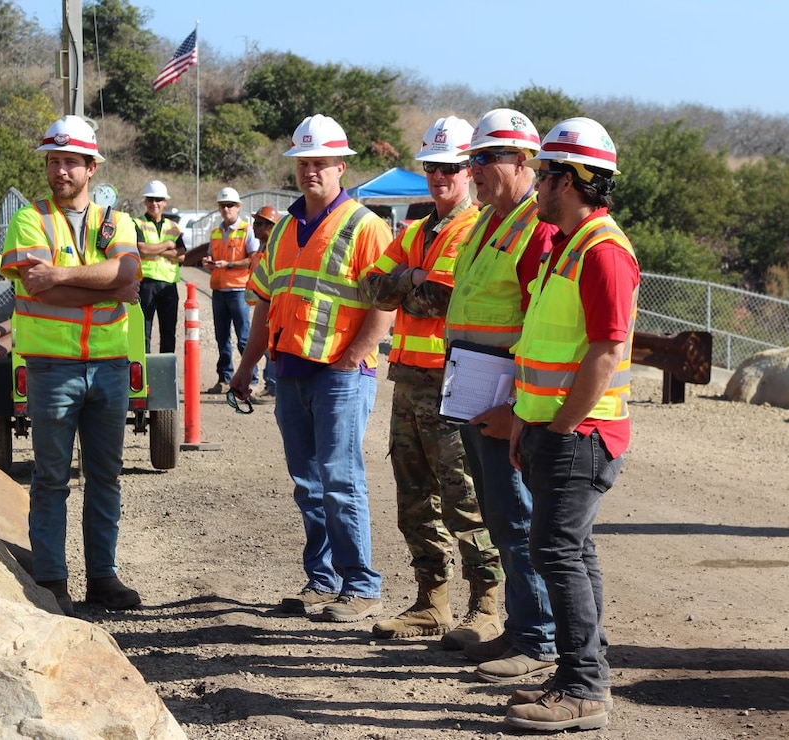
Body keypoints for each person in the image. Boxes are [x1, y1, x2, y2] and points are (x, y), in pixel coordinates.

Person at [501, 118, 639, 732]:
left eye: (547, 174)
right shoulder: (568, 245)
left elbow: (606, 353)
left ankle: (584, 687)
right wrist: (525, 422)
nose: (538, 185)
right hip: (554, 428)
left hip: (579, 435)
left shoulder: (604, 253)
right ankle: (581, 672)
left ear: (573, 180)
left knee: (555, 550)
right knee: (572, 551)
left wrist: (556, 429)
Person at [231, 114, 394, 622]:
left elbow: (384, 307)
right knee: (308, 481)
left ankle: (361, 586)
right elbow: (265, 303)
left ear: (340, 167)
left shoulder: (366, 227)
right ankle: (322, 580)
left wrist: (351, 357)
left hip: (341, 374)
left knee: (340, 478)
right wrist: (246, 367)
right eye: (304, 163)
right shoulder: (282, 230)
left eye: (321, 163)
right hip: (291, 372)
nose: (311, 172)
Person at [361, 117, 504, 643]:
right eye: (432, 167)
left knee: (464, 497)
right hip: (409, 382)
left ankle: (486, 605)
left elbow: (442, 297)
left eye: (450, 167)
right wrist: (412, 280)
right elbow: (370, 288)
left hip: (455, 383)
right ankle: (431, 602)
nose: (440, 177)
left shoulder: (476, 228)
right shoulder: (418, 230)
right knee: (414, 498)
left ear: (469, 170)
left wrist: (410, 283)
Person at [0, 114, 143, 617]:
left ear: (90, 168)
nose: (60, 170)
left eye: (70, 162)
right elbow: (38, 285)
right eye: (53, 161)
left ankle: (103, 578)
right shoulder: (28, 220)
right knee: (51, 476)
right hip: (51, 367)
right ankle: (51, 580)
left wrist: (61, 276)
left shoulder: (115, 220)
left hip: (108, 365)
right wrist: (103, 284)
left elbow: (127, 275)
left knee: (106, 475)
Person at [444, 108, 559, 683]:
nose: (476, 169)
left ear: (522, 162)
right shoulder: (488, 223)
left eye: (486, 158)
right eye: (473, 160)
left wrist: (514, 407)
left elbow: (540, 328)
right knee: (497, 516)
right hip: (474, 398)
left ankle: (538, 638)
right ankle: (519, 627)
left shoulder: (537, 229)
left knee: (518, 519)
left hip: (505, 406)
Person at [202, 187, 259, 394]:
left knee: (244, 337)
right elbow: (210, 255)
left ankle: (250, 379)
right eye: (222, 205)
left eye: (230, 205)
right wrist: (208, 262)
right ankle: (224, 378)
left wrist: (229, 264)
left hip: (238, 290)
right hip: (219, 289)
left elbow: (253, 258)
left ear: (238, 207)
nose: (226, 209)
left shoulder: (247, 230)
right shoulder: (216, 232)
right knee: (222, 337)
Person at [133, 180, 186, 353]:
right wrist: (168, 244)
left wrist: (156, 250)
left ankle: (166, 374)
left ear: (165, 202)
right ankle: (144, 373)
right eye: (150, 199)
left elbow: (182, 255)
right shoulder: (137, 223)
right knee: (144, 332)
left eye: (158, 200)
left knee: (168, 332)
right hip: (146, 283)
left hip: (169, 285)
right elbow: (142, 249)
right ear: (145, 201)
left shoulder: (173, 227)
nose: (154, 203)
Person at [247, 205, 281, 399]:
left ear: (271, 227)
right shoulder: (262, 248)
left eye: (259, 223)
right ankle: (271, 385)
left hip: (271, 307)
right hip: (260, 305)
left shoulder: (274, 249)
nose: (254, 227)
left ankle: (273, 386)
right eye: (255, 222)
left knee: (270, 348)